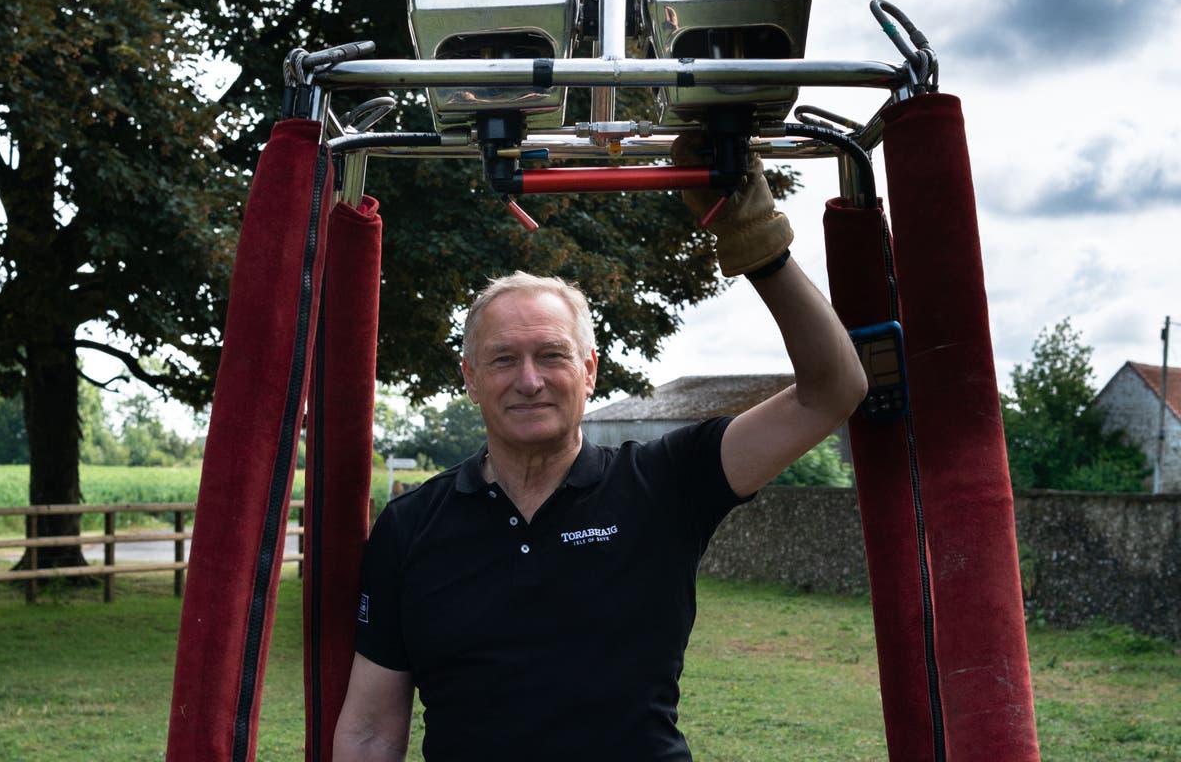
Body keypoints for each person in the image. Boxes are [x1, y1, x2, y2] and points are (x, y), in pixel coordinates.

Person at [332, 139, 868, 761]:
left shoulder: (667, 481)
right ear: (470, 378)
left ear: (589, 370)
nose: (528, 380)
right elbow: (371, 729)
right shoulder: (409, 527)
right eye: (503, 359)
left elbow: (832, 392)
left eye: (552, 355)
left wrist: (759, 247)